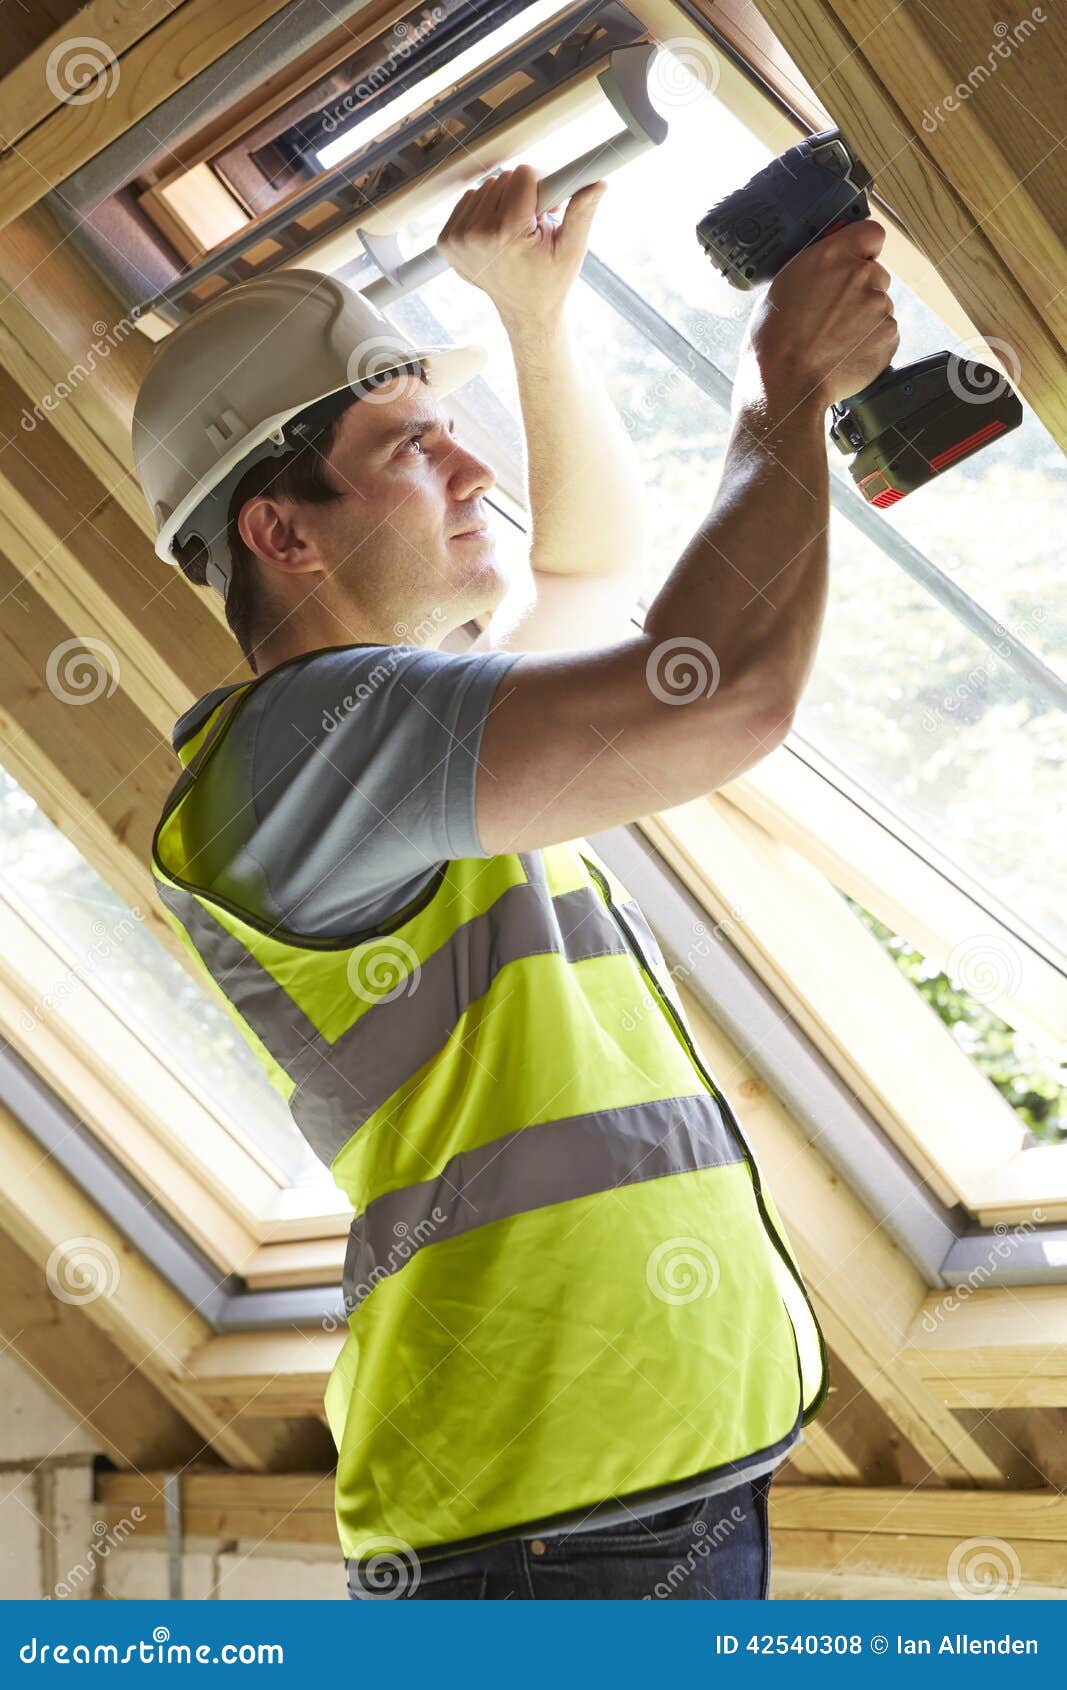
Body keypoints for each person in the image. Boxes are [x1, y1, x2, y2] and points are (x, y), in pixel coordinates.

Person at [131, 164, 898, 1600]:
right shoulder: (300, 756)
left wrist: (535, 326)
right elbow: (715, 689)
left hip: (630, 1486)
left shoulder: (408, 746)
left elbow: (594, 568)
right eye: (417, 446)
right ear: (281, 533)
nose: (478, 467)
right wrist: (782, 392)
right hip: (546, 1520)